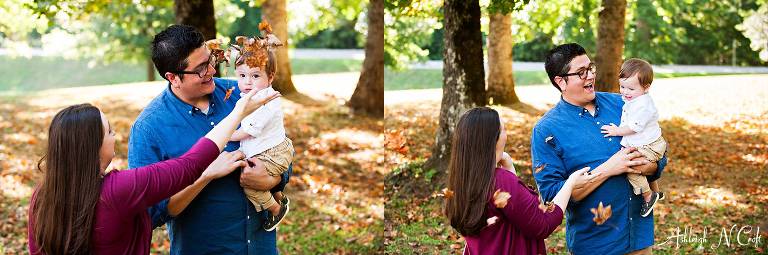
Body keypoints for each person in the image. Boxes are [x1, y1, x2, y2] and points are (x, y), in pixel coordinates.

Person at [28, 88, 279, 254]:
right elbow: (189, 165)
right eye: (109, 131)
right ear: (92, 146)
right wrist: (238, 113)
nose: (115, 136)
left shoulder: (42, 196)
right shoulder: (119, 190)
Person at [128, 24, 290, 254]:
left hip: (261, 247)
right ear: (173, 77)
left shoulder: (241, 93)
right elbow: (151, 213)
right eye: (202, 68)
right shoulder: (149, 129)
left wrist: (273, 179)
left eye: (211, 60)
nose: (213, 71)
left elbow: (280, 146)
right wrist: (204, 175)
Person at [533, 43, 668, 255]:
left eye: (590, 68)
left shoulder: (623, 103)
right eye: (581, 72)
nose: (590, 76)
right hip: (595, 244)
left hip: (639, 239)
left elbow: (658, 154)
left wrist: (647, 166)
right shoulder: (546, 130)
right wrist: (609, 168)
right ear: (560, 82)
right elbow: (552, 196)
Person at [445, 107, 598, 254]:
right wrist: (569, 184)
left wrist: (509, 167)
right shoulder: (500, 180)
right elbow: (542, 225)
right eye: (503, 129)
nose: (506, 133)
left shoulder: (462, 180)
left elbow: (517, 211)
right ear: (494, 140)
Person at [226, 21, 295, 231]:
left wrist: (225, 134)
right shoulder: (249, 94)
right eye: (242, 76)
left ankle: (276, 209)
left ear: (270, 77)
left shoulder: (266, 101)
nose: (247, 82)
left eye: (255, 76)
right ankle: (280, 196)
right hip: (271, 149)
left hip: (273, 153)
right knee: (258, 177)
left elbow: (247, 132)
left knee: (250, 186)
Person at [600, 58, 667, 217]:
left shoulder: (643, 105)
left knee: (630, 167)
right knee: (636, 162)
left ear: (646, 88)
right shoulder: (636, 99)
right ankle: (657, 191)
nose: (624, 92)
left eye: (630, 88)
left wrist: (616, 131)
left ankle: (648, 196)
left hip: (650, 146)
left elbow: (635, 127)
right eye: (622, 86)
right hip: (649, 142)